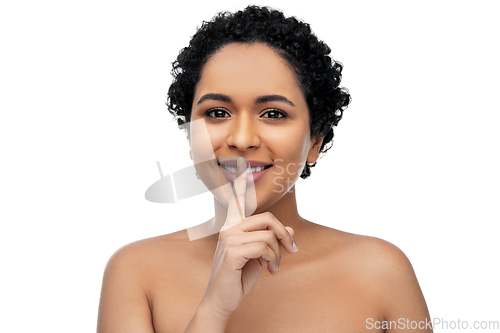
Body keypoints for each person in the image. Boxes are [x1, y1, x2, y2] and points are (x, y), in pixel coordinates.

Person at [97, 6, 432, 332]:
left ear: (315, 139)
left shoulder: (381, 272)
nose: (241, 139)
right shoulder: (136, 273)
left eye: (273, 114)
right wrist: (213, 309)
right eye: (216, 113)